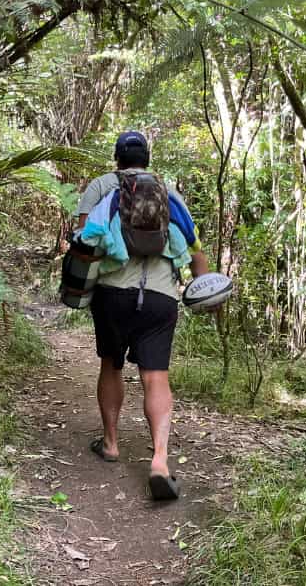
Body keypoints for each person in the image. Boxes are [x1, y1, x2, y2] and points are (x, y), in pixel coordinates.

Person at [75, 131, 209, 501]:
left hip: (113, 292)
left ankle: (112, 443)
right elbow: (196, 249)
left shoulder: (102, 187)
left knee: (111, 364)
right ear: (147, 159)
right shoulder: (168, 192)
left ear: (117, 158)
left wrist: (76, 286)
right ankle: (161, 461)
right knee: (156, 376)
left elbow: (82, 238)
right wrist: (206, 289)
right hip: (161, 297)